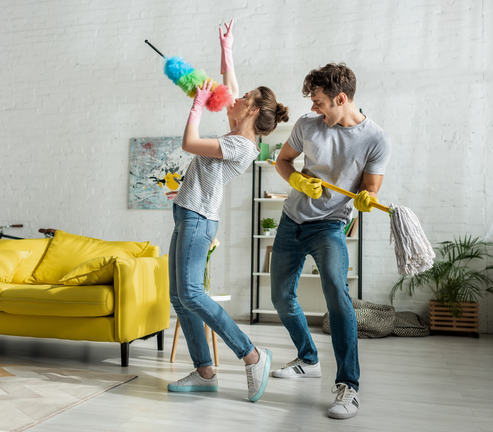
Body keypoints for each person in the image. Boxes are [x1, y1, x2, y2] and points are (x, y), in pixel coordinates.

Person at [167, 19, 289, 403]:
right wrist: (227, 49)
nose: (236, 96)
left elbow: (190, 143)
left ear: (252, 111)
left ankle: (251, 355)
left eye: (246, 97)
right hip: (188, 213)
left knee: (191, 292)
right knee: (179, 297)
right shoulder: (238, 131)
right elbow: (231, 87)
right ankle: (205, 372)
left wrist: (197, 104)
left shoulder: (241, 146)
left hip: (198, 220)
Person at [269, 63, 392, 419]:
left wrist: (367, 198)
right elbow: (283, 161)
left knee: (337, 295)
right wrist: (296, 180)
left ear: (341, 99)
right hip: (291, 220)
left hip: (330, 226)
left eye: (319, 101)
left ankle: (348, 385)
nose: (313, 108)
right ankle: (308, 358)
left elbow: (371, 188)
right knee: (280, 297)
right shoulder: (308, 124)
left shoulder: (376, 139)